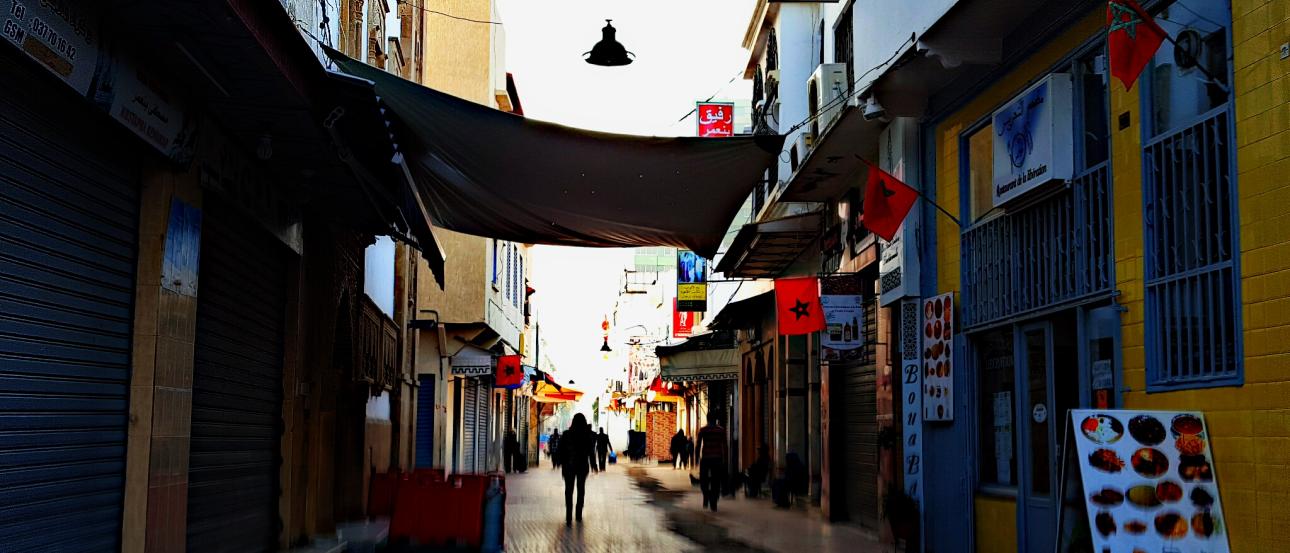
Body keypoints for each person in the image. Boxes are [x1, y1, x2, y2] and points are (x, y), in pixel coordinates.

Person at [560, 414, 598, 526]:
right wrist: (594, 465)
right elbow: (591, 452)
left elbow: (560, 450)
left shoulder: (566, 434)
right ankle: (578, 515)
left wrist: (559, 462)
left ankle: (568, 517)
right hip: (582, 466)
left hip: (569, 466)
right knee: (581, 490)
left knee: (568, 491)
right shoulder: (587, 436)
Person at [695, 413, 727, 511]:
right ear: (716, 419)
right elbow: (725, 446)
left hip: (706, 458)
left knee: (703, 480)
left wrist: (696, 458)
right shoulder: (721, 430)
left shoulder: (703, 430)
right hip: (717, 459)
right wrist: (725, 459)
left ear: (707, 419)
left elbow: (698, 445)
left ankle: (706, 495)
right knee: (716, 481)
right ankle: (714, 501)